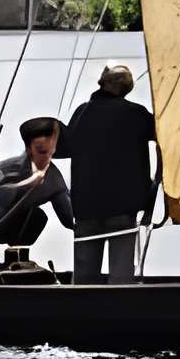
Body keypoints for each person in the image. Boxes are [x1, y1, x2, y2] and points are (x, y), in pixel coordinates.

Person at [63, 63, 158, 283]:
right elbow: (165, 137)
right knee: (121, 274)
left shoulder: (82, 113)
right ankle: (121, 311)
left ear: (103, 83)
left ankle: (82, 311)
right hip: (124, 206)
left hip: (87, 205)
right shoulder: (137, 114)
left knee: (85, 275)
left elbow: (66, 148)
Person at [0, 116, 74, 258]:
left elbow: (69, 218)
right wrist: (26, 185)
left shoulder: (53, 178)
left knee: (37, 217)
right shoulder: (6, 168)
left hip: (11, 239)